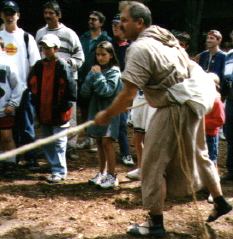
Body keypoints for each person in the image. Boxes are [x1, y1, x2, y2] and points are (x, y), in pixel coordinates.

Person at [94, 1, 232, 237]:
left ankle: (155, 224)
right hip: (192, 102)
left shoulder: (139, 48)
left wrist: (106, 115)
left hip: (175, 108)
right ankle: (220, 200)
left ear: (140, 23)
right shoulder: (165, 38)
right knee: (200, 154)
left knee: (151, 165)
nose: (120, 23)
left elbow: (128, 94)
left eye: (125, 20)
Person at [35, 0, 84, 153]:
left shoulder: (69, 34)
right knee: (48, 112)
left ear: (59, 15)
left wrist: (66, 64)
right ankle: (52, 147)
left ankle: (71, 146)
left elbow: (80, 57)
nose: (48, 16)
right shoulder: (40, 33)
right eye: (46, 13)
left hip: (67, 80)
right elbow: (37, 57)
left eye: (51, 13)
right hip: (47, 81)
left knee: (69, 113)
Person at [27, 34, 76, 183]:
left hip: (59, 110)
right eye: (43, 47)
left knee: (59, 141)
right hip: (44, 109)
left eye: (48, 47)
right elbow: (32, 84)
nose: (45, 50)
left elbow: (70, 89)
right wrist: (35, 101)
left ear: (56, 48)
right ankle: (53, 165)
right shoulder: (39, 66)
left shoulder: (62, 65)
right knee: (47, 140)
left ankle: (59, 171)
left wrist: (64, 106)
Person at [0, 0, 41, 169]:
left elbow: (34, 64)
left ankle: (31, 157)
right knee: (8, 129)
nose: (9, 17)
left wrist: (28, 85)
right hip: (3, 92)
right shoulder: (0, 37)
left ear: (18, 15)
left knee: (26, 125)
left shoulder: (26, 38)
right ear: (1, 15)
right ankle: (12, 159)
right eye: (6, 13)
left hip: (23, 89)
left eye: (12, 14)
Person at [80, 41, 122, 189]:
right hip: (95, 112)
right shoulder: (95, 70)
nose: (100, 57)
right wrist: (91, 77)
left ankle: (112, 175)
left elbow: (107, 91)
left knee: (107, 142)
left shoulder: (115, 72)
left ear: (111, 55)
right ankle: (102, 172)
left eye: (104, 54)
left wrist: (97, 76)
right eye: (98, 54)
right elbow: (84, 92)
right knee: (98, 141)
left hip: (110, 112)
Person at [76, 11, 112, 150]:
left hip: (98, 77)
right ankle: (88, 137)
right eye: (89, 19)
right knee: (84, 109)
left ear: (101, 23)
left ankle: (98, 137)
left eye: (94, 19)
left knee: (97, 109)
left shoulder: (106, 39)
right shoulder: (83, 38)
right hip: (83, 78)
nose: (91, 21)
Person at [111, 13, 134, 166]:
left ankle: (126, 153)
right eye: (113, 25)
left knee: (123, 123)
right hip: (109, 88)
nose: (115, 28)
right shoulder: (107, 44)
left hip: (127, 89)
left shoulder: (133, 46)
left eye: (118, 24)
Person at [0, 36, 22, 177]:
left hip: (5, 109)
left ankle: (12, 162)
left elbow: (18, 86)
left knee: (7, 136)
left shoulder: (8, 64)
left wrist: (13, 104)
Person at [126, 90, 156, 180]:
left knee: (151, 144)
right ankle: (141, 169)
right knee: (136, 141)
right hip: (139, 108)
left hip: (151, 108)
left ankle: (152, 173)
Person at [205, 73, 225, 202]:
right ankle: (205, 184)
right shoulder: (203, 98)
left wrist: (201, 124)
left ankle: (215, 191)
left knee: (211, 161)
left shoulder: (216, 101)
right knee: (202, 160)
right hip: (200, 135)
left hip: (210, 135)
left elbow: (220, 120)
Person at [220, 47, 233, 181]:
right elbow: (225, 79)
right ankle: (231, 170)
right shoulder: (230, 55)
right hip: (230, 101)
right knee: (230, 136)